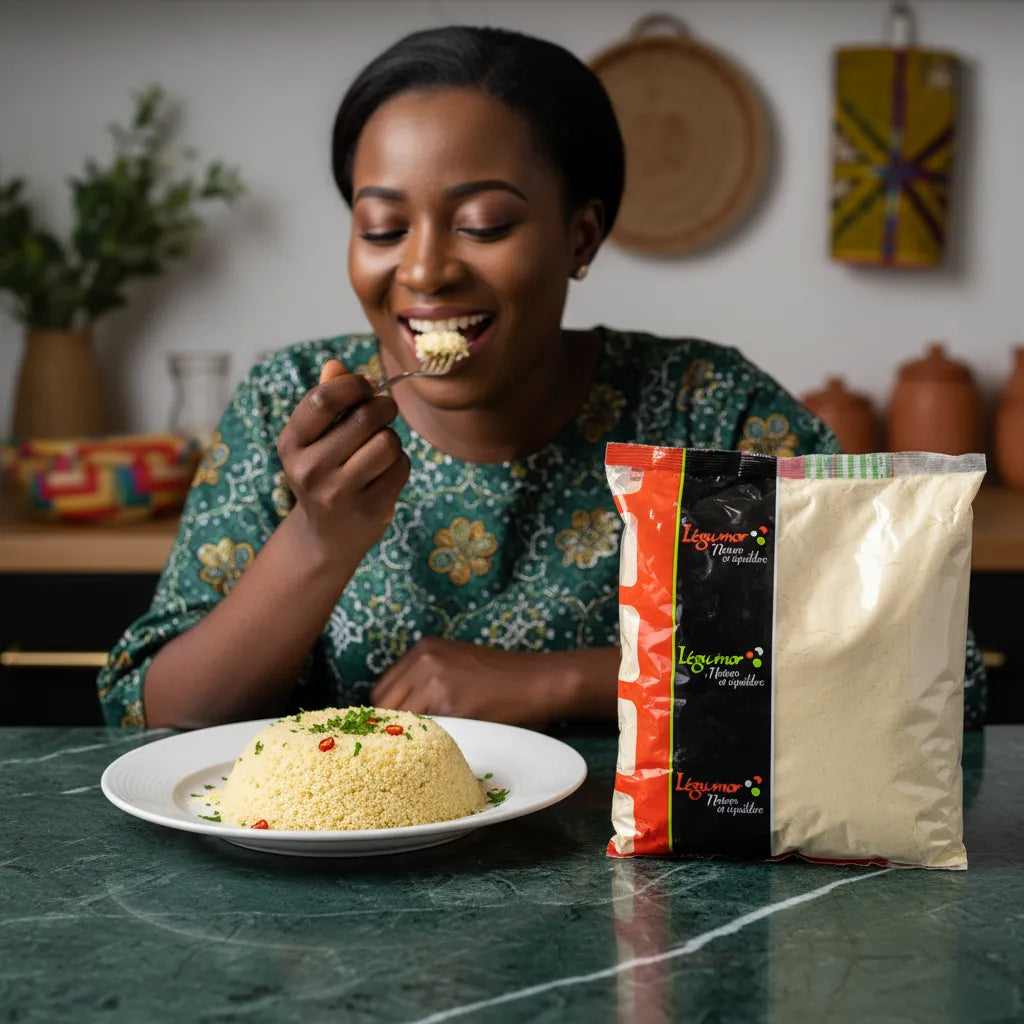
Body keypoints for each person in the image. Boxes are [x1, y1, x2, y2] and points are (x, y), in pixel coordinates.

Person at [97, 25, 986, 731]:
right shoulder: (292, 404)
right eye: (381, 228)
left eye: (483, 224)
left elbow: (927, 669)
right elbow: (152, 714)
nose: (424, 270)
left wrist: (564, 681)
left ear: (581, 237)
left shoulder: (708, 410)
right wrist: (321, 539)